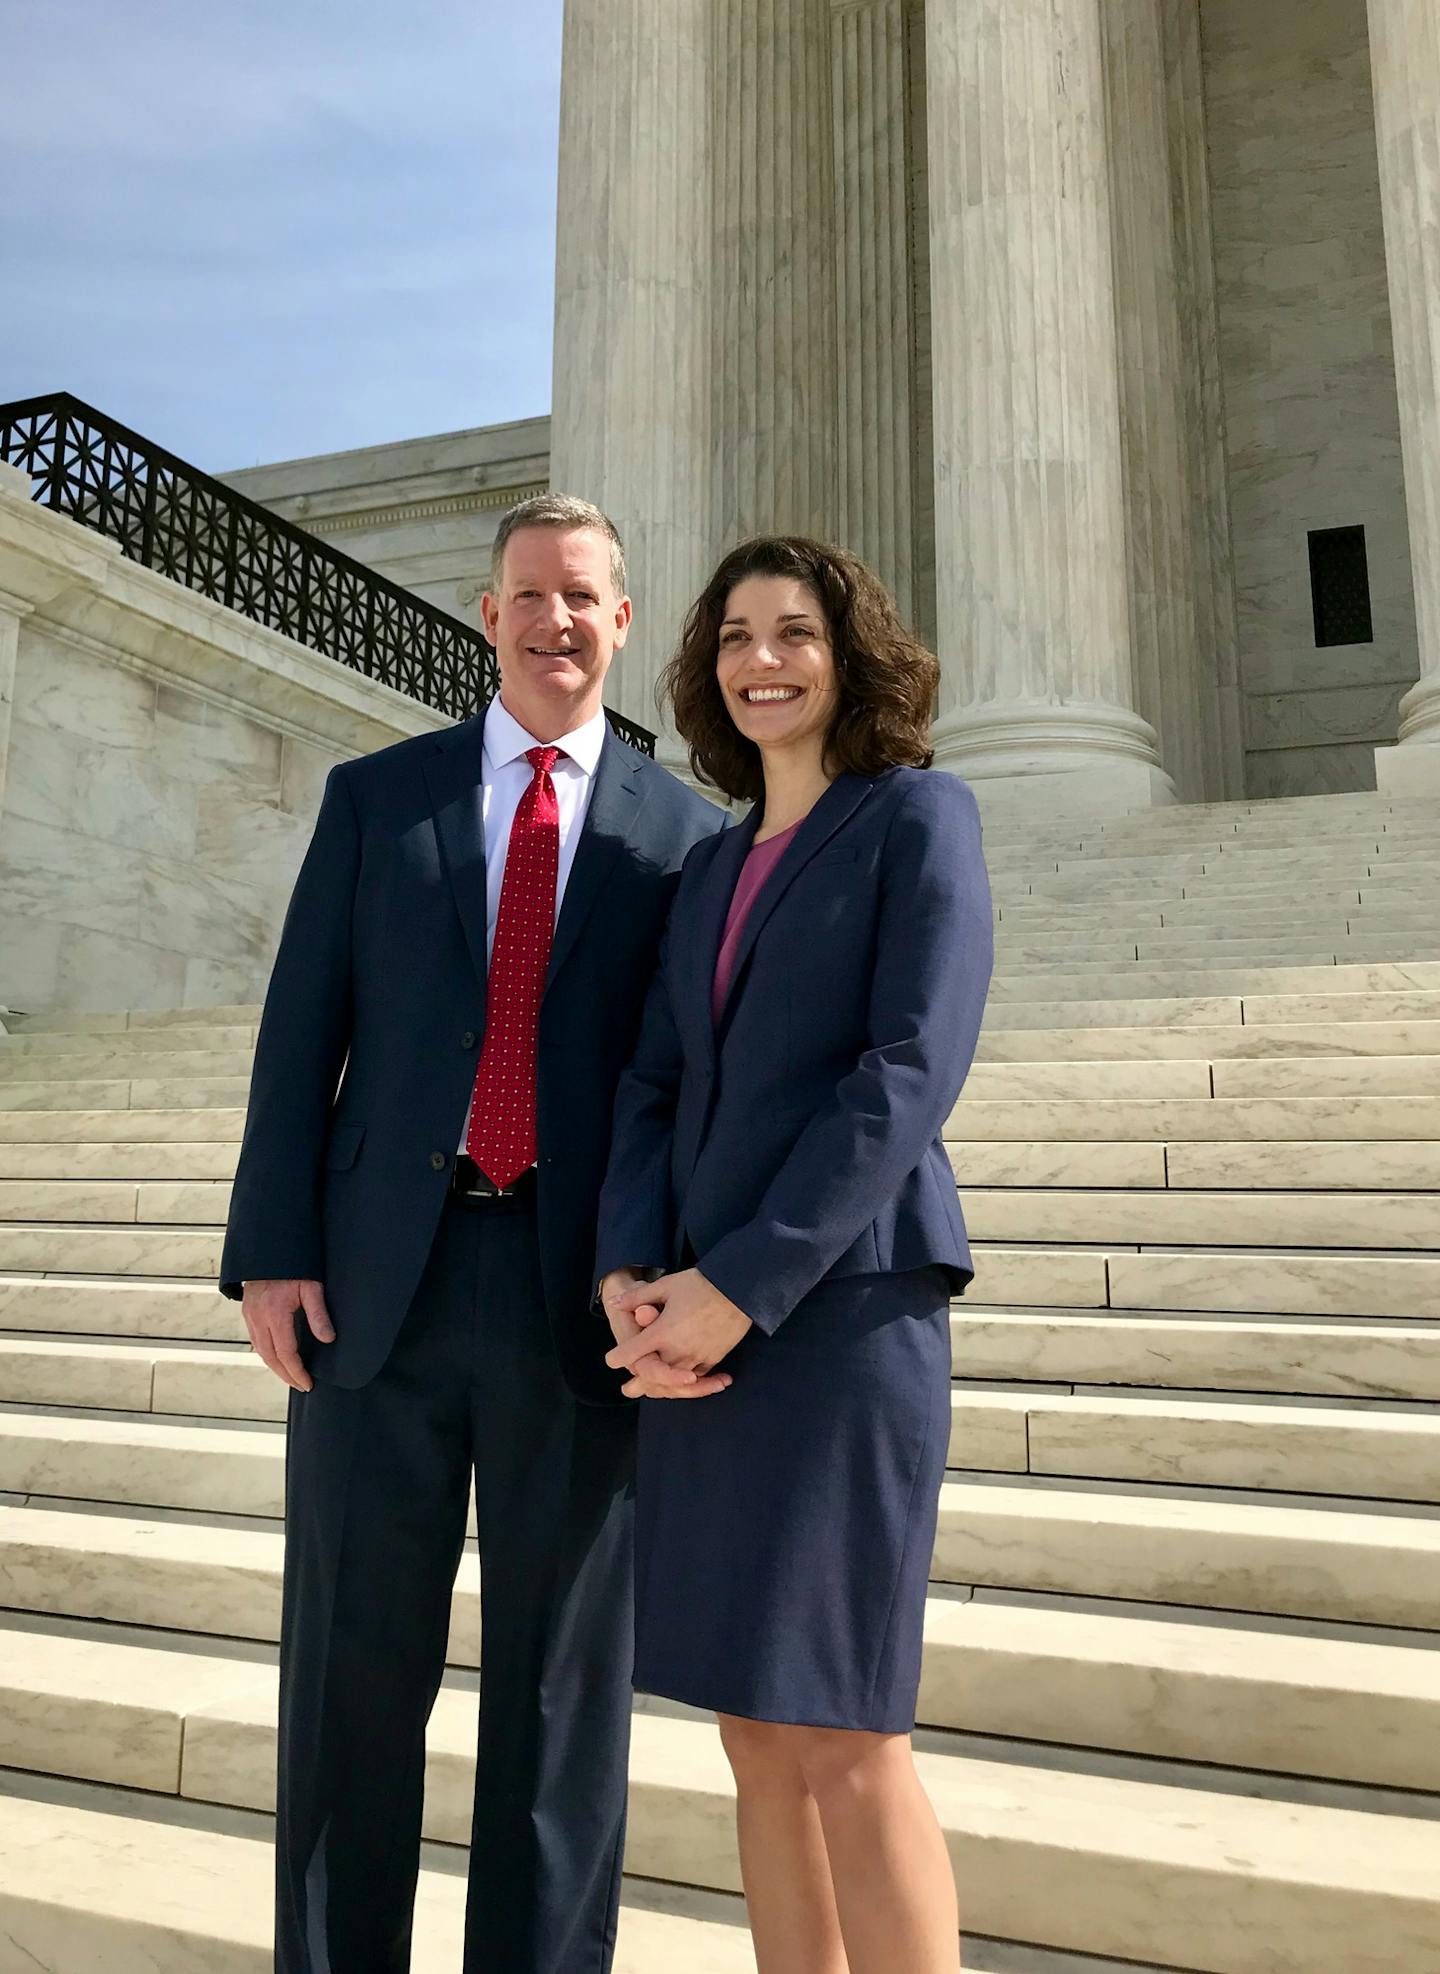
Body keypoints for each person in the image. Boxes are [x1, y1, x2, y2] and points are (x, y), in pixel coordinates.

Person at [218, 493, 726, 1974]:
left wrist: (681, 1276)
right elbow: (300, 1028)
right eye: (529, 593)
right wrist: (270, 1246)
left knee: (561, 1708)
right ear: (488, 613)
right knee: (349, 1681)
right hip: (381, 1289)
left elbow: (679, 1084)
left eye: (584, 596)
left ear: (621, 622)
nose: (556, 619)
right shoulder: (382, 799)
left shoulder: (683, 839)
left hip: (580, 1305)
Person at [596, 535, 993, 1974]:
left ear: (849, 653)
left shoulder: (916, 818)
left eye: (794, 632)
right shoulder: (704, 869)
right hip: (698, 1338)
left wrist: (736, 1286)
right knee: (755, 1730)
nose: (762, 660)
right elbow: (649, 1084)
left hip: (845, 1313)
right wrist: (631, 1277)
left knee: (846, 1730)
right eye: (736, 637)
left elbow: (906, 1070)